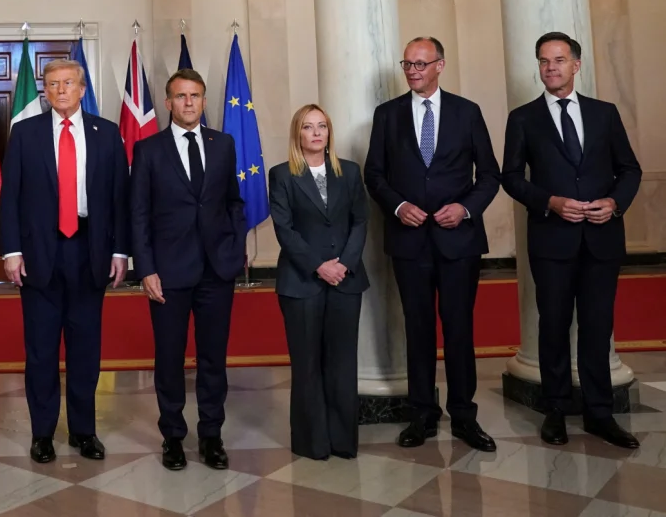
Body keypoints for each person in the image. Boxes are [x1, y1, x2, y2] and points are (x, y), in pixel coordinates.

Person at [502, 32, 641, 450]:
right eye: (544, 61)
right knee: (554, 327)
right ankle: (556, 410)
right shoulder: (523, 118)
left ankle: (600, 414)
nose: (551, 68)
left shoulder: (604, 114)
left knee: (598, 328)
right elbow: (510, 178)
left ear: (576, 65)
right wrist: (551, 201)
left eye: (559, 60)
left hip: (602, 238)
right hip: (552, 240)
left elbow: (629, 169)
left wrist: (614, 203)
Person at [364, 37, 500, 453]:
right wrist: (399, 205)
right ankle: (422, 414)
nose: (412, 71)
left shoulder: (467, 112)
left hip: (459, 241)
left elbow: (490, 175)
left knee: (459, 329)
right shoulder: (386, 115)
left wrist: (465, 208)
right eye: (407, 64)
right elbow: (374, 174)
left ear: (440, 65)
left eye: (421, 64)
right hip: (409, 242)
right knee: (418, 329)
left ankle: (464, 415)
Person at [0, 58, 129, 464]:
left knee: (85, 350)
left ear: (82, 88)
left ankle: (83, 431)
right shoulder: (25, 133)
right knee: (40, 351)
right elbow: (11, 197)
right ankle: (42, 433)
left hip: (89, 251)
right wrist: (12, 250)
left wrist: (120, 251)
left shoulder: (107, 134)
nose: (60, 90)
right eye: (53, 84)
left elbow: (119, 200)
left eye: (68, 83)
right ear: (46, 89)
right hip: (40, 254)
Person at [130, 69, 246, 471]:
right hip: (168, 272)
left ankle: (211, 435)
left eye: (195, 95)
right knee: (170, 359)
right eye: (181, 96)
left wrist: (234, 247)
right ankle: (173, 438)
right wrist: (145, 269)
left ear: (204, 99)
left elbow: (234, 201)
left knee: (213, 358)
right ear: (168, 103)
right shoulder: (148, 150)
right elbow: (139, 215)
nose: (189, 103)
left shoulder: (223, 144)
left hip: (217, 270)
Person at [269, 104, 369, 460]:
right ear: (298, 133)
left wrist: (344, 264)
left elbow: (360, 221)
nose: (316, 133)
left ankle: (343, 441)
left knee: (342, 363)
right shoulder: (282, 175)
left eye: (322, 126)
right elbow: (285, 229)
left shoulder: (350, 172)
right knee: (307, 363)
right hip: (301, 282)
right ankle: (314, 443)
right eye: (308, 127)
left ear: (329, 133)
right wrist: (318, 266)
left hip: (347, 279)